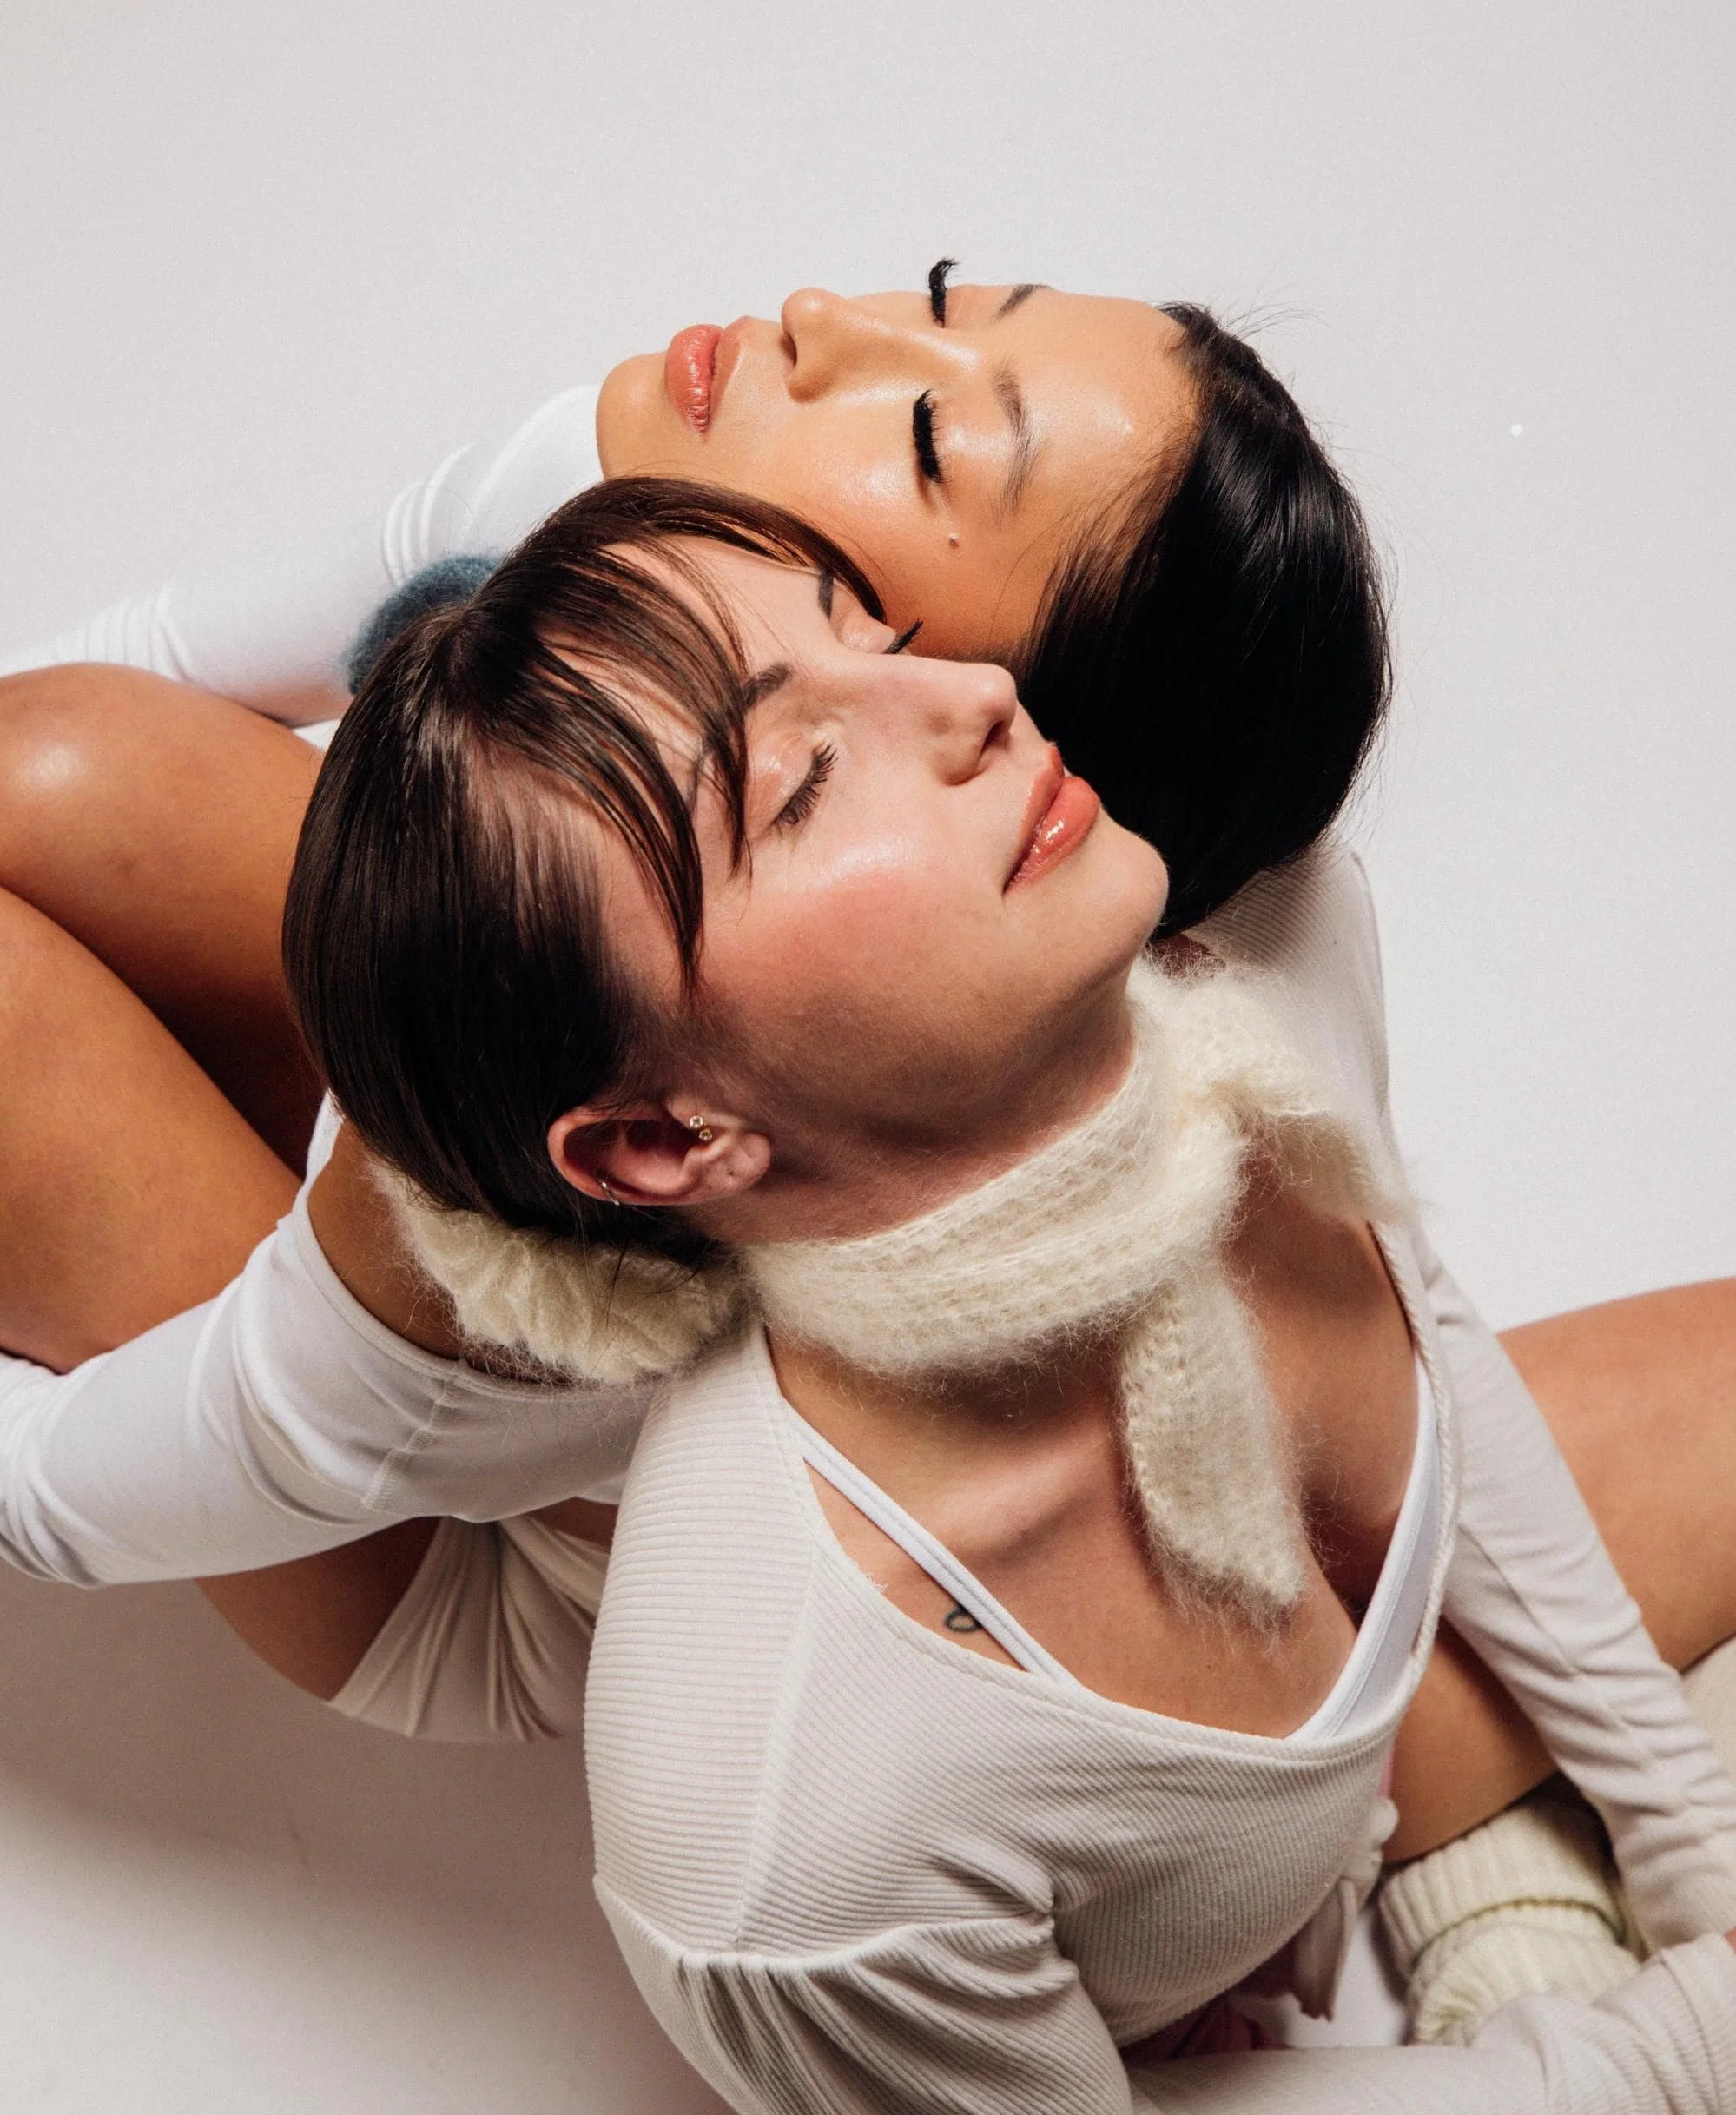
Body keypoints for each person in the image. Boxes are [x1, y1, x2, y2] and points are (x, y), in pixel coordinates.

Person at [0, 281, 1730, 1993]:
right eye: (947, 300)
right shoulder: (670, 497)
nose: (818, 317)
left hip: (552, 1424)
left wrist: (1611, 1848)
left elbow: (1380, 1369)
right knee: (55, 765)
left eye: (923, 444)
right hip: (625, 1127)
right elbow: (73, 1492)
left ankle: (1462, 1850)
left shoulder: (1194, 981)